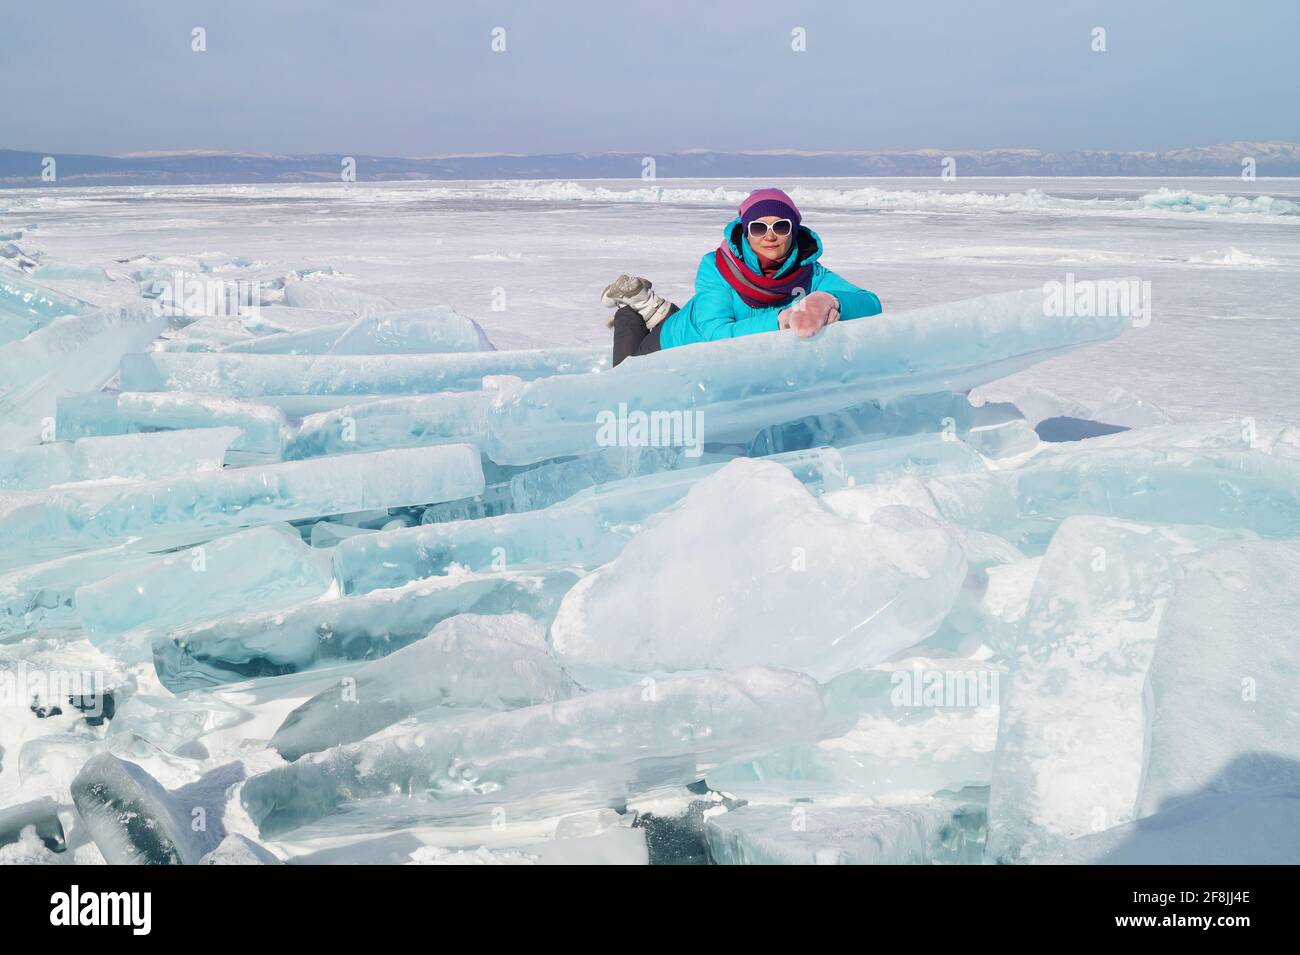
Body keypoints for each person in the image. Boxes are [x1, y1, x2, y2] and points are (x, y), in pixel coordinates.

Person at [602, 187, 882, 366]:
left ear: (794, 230)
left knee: (700, 314)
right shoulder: (717, 268)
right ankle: (632, 310)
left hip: (706, 333)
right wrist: (783, 318)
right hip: (672, 347)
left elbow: (870, 303)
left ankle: (655, 307)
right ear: (746, 232)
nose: (770, 236)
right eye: (759, 228)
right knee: (624, 383)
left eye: (781, 226)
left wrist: (829, 300)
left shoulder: (810, 273)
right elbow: (717, 335)